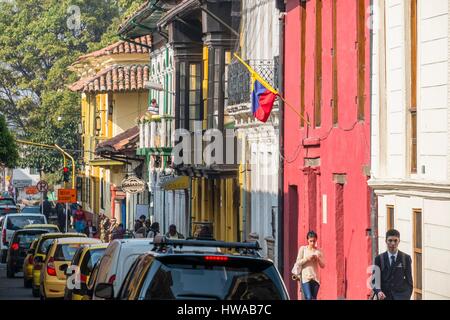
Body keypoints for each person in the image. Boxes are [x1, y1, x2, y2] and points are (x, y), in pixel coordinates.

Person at [372, 229, 413, 300]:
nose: (393, 243)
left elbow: (409, 282)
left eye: (395, 240)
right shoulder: (379, 259)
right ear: (386, 241)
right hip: (384, 297)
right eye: (390, 240)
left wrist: (406, 296)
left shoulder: (406, 258)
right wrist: (378, 292)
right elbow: (375, 281)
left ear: (399, 241)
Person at [292, 231, 325, 300]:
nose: (312, 243)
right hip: (305, 278)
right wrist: (307, 259)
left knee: (313, 298)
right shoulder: (303, 249)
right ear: (307, 240)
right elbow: (298, 262)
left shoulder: (318, 251)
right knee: (309, 297)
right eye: (311, 241)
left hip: (315, 278)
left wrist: (318, 259)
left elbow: (323, 265)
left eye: (314, 241)